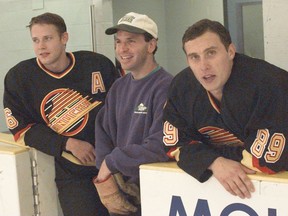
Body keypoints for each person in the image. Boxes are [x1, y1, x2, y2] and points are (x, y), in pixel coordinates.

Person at [3, 12, 120, 216]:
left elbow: (122, 110)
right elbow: (21, 130)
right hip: (73, 174)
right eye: (36, 40)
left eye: (47, 38)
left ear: (64, 38)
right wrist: (68, 143)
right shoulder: (19, 78)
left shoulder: (97, 64)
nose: (41, 46)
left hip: (114, 164)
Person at [163, 18, 288, 200]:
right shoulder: (182, 87)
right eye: (194, 57)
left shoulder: (270, 83)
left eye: (211, 53)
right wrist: (215, 162)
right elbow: (175, 144)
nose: (203, 66)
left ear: (230, 51)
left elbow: (266, 160)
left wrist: (204, 154)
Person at [93, 12, 173, 215]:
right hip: (122, 194)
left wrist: (113, 163)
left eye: (131, 41)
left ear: (151, 45)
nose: (122, 49)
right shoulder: (118, 87)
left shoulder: (166, 87)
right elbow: (103, 133)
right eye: (118, 42)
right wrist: (106, 173)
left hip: (155, 195)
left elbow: (161, 145)